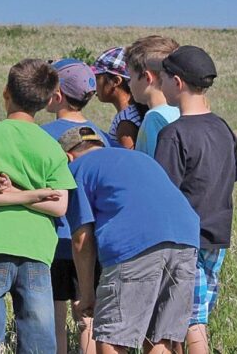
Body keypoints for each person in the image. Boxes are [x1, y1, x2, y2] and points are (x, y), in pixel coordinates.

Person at [0, 59, 76, 353]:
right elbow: (59, 206)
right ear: (48, 100)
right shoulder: (51, 146)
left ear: (6, 91)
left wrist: (10, 192)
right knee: (38, 341)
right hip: (36, 250)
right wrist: (32, 195)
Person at [58, 126, 200, 354]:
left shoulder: (77, 169)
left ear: (67, 157)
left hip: (135, 245)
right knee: (161, 339)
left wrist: (87, 295)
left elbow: (81, 240)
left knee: (112, 337)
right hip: (186, 239)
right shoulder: (138, 158)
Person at [154, 46, 237, 354]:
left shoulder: (173, 134)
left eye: (162, 77)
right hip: (218, 235)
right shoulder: (224, 129)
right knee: (195, 310)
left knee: (190, 319)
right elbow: (230, 179)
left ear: (177, 82)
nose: (159, 84)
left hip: (184, 239)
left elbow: (163, 194)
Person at [41, 59, 108, 354]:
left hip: (53, 241)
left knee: (55, 319)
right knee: (88, 316)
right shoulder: (102, 136)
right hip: (92, 242)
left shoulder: (42, 135)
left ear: (56, 94)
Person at [125, 36, 180, 156]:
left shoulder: (154, 118)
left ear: (147, 77)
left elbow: (152, 167)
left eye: (131, 77)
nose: (129, 83)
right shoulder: (183, 111)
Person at [91, 47, 145, 149]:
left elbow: (126, 160)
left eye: (97, 78)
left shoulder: (126, 121)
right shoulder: (132, 112)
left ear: (116, 81)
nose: (94, 84)